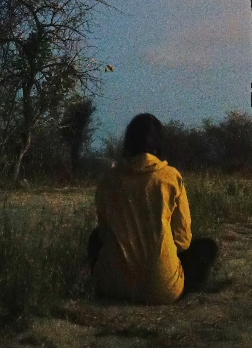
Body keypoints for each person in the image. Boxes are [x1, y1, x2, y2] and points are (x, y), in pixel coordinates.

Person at [89, 113, 218, 304]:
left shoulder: (108, 180)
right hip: (162, 291)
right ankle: (174, 287)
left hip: (112, 287)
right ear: (158, 143)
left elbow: (105, 234)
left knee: (94, 237)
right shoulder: (171, 177)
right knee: (207, 248)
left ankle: (111, 279)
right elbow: (182, 241)